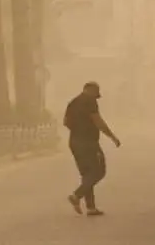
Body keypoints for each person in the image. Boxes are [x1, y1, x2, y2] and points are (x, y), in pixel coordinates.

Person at [63, 81, 121, 216]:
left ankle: (91, 207)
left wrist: (77, 129)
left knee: (87, 174)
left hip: (74, 142)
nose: (96, 97)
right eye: (96, 94)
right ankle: (77, 195)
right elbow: (98, 121)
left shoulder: (72, 102)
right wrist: (112, 137)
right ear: (91, 90)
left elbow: (66, 122)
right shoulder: (89, 101)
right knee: (99, 171)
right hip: (89, 142)